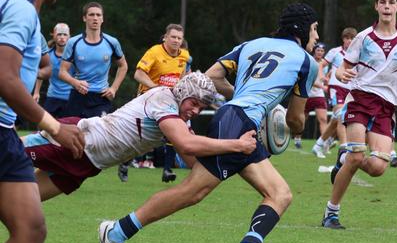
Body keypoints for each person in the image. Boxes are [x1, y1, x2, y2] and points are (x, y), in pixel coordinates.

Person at [97, 3, 319, 243]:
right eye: (314, 29)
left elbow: (212, 75)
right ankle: (116, 232)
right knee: (192, 191)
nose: (317, 36)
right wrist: (284, 124)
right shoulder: (307, 62)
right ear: (302, 28)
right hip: (240, 122)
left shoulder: (251, 44)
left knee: (279, 193)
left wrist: (242, 96)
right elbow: (297, 120)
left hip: (232, 117)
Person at [0, 0, 84, 243]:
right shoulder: (19, 8)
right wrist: (52, 125)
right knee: (29, 228)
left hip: (4, 134)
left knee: (30, 227)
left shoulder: (21, 9)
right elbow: (4, 75)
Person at [22, 72, 255, 201]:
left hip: (88, 165)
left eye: (201, 106)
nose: (195, 110)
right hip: (77, 141)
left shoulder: (179, 120)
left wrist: (230, 152)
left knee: (23, 201)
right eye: (194, 103)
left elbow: (194, 163)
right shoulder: (163, 99)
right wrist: (236, 144)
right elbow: (187, 144)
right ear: (182, 93)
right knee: (7, 150)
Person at [321, 0, 397, 229]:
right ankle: (331, 213)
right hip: (361, 99)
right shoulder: (363, 38)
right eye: (383, 2)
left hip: (386, 107)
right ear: (376, 6)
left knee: (377, 168)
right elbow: (345, 67)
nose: (387, 6)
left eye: (391, 2)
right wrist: (342, 74)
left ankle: (343, 157)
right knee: (357, 156)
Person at [117, 23, 191, 183]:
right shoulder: (154, 52)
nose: (176, 40)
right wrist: (156, 87)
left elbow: (184, 76)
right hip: (148, 98)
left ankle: (167, 170)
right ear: (165, 37)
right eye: (173, 37)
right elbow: (138, 74)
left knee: (173, 133)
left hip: (170, 101)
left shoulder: (184, 56)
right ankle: (125, 161)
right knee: (143, 139)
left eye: (179, 38)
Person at [59, 1, 128, 118]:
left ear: (102, 19)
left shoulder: (112, 42)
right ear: (84, 18)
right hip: (78, 96)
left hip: (101, 97)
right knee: (75, 134)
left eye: (98, 15)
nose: (95, 18)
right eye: (91, 15)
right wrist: (75, 83)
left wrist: (114, 88)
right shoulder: (73, 43)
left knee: (101, 134)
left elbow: (123, 66)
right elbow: (62, 72)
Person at [311, 27, 358, 157]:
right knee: (341, 116)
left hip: (350, 90)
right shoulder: (335, 52)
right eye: (347, 38)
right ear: (343, 39)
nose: (349, 41)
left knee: (336, 119)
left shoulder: (357, 55)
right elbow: (321, 64)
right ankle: (344, 149)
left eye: (352, 38)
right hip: (336, 88)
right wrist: (321, 77)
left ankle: (319, 144)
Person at [33, 23, 73, 117]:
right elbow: (41, 73)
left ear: (69, 37)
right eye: (59, 34)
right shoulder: (48, 55)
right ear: (54, 36)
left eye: (65, 34)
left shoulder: (75, 55)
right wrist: (36, 92)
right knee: (44, 128)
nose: (62, 37)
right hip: (52, 97)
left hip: (70, 98)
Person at [294, 42, 327, 149]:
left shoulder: (324, 64)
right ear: (314, 51)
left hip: (319, 96)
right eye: (318, 50)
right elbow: (310, 80)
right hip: (307, 94)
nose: (320, 53)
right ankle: (297, 139)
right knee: (303, 119)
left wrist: (329, 80)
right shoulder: (310, 61)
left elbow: (324, 78)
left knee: (323, 119)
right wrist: (322, 86)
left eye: (322, 51)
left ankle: (323, 143)